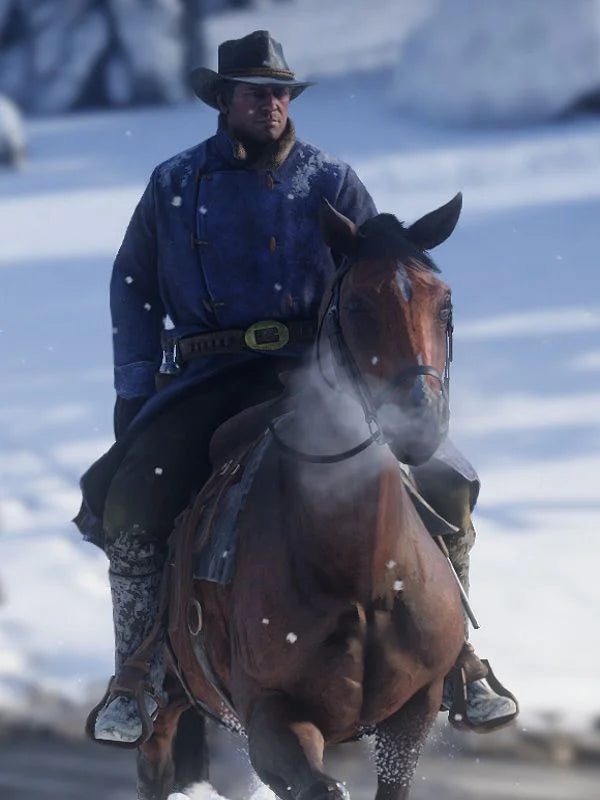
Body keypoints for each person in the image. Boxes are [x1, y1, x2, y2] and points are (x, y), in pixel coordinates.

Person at [74, 30, 517, 746]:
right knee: (135, 501)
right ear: (224, 100)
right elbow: (133, 285)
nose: (272, 103)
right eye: (256, 91)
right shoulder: (174, 185)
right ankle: (138, 674)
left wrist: (394, 381)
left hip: (319, 376)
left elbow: (379, 275)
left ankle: (460, 660)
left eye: (281, 90)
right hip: (208, 379)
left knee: (447, 479)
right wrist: (134, 391)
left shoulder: (332, 180)